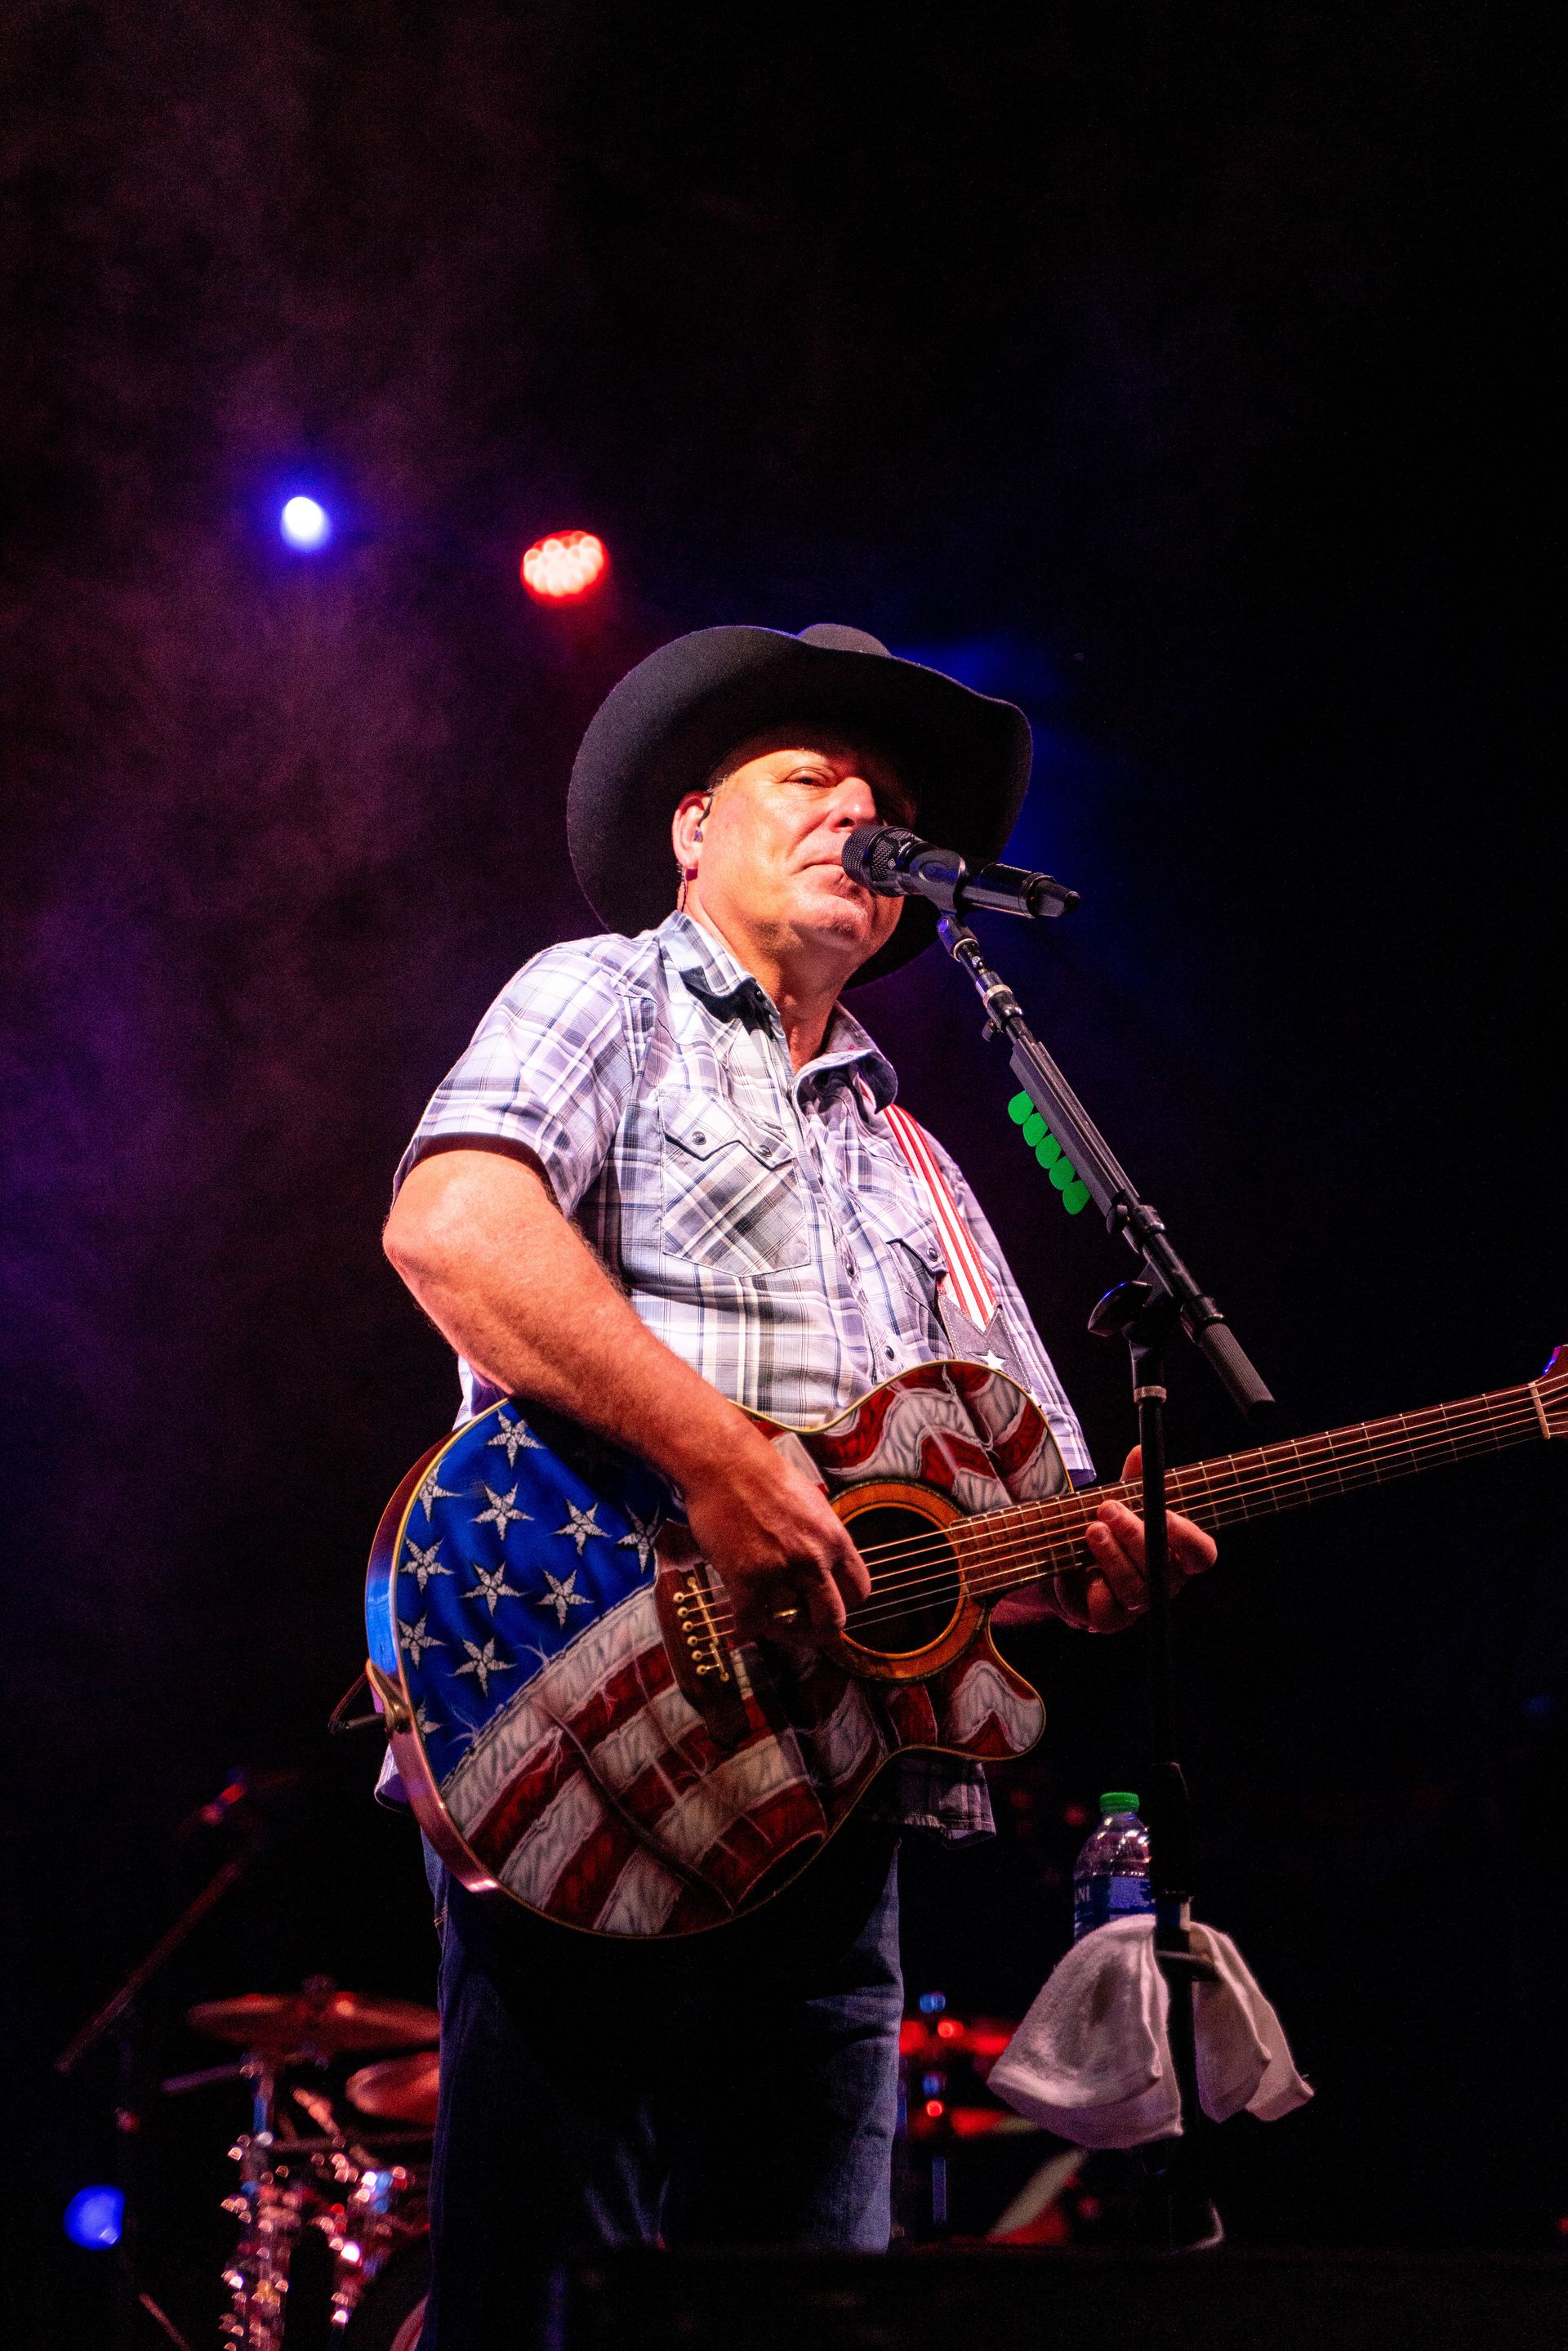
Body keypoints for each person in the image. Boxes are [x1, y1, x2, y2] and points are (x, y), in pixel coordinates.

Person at [381, 622, 1216, 2347]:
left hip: (837, 1807)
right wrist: (717, 1452)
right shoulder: (601, 992)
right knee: (542, 2301)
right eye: (810, 776)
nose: (860, 807)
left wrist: (1088, 1551)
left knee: (805, 2309)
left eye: (891, 800)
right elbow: (452, 1225)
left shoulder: (920, 1157)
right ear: (694, 828)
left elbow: (1015, 1518)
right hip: (596, 1740)